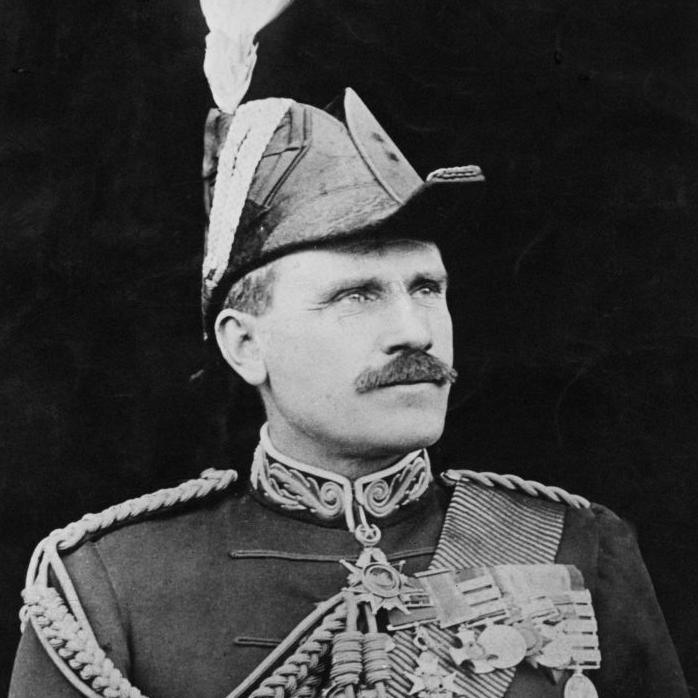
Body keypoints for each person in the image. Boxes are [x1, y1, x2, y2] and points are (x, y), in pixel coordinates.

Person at [9, 81, 689, 698]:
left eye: (427, 288)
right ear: (245, 345)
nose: (414, 331)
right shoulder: (112, 584)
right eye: (357, 294)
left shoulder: (580, 545)